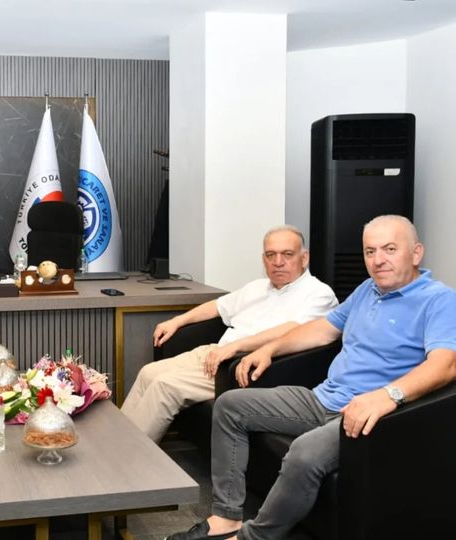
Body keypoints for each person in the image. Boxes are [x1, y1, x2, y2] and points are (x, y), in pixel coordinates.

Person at [167, 214, 456, 540]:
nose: (378, 260)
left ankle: (252, 537)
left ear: (416, 253)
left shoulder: (439, 300)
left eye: (390, 249)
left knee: (304, 452)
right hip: (323, 397)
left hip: (366, 414)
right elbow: (322, 330)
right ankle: (226, 516)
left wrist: (388, 396)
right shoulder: (367, 290)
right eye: (370, 251)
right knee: (230, 405)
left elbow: (446, 364)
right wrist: (270, 349)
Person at [122, 225, 338, 442]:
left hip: (242, 364)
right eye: (271, 255)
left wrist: (236, 347)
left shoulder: (319, 294)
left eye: (287, 254)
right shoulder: (257, 286)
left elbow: (293, 329)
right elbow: (218, 306)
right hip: (217, 352)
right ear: (263, 259)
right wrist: (177, 321)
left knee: (165, 386)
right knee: (148, 373)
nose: (278, 262)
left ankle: (133, 456)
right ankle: (117, 446)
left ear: (304, 257)